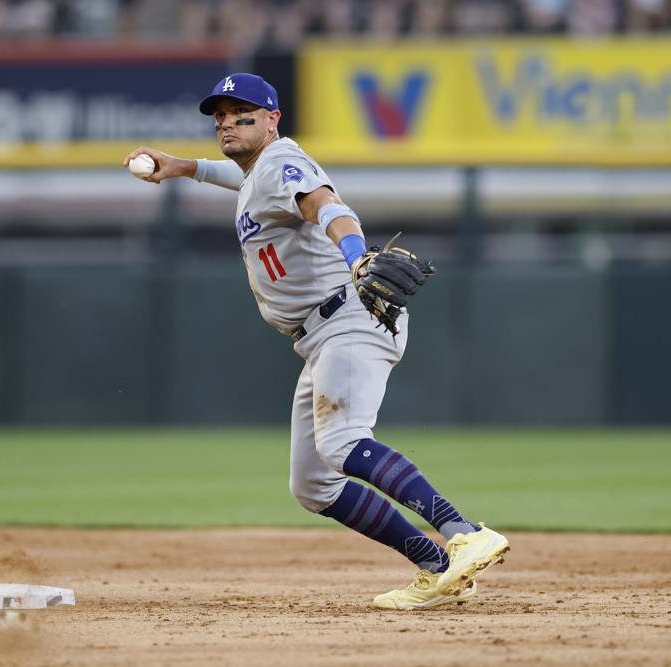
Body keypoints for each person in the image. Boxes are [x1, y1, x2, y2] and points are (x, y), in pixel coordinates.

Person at [123, 73, 509, 610]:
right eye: (221, 117)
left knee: (344, 441)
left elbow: (327, 205)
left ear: (273, 118)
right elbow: (248, 182)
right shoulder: (261, 173)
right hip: (321, 335)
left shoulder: (282, 162)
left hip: (347, 316)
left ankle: (465, 533)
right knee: (313, 483)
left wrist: (358, 258)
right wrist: (184, 166)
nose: (229, 123)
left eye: (243, 114)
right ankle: (437, 565)